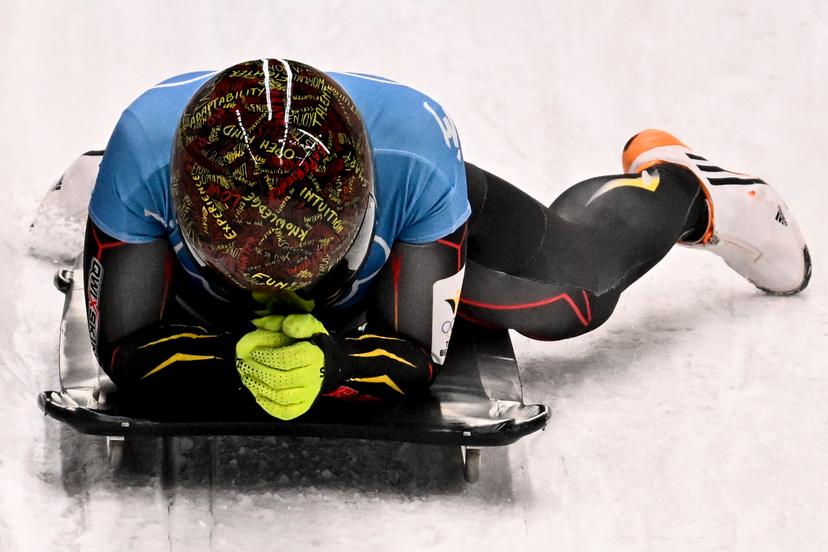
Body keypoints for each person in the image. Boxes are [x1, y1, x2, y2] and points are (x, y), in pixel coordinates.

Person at [81, 58, 811, 421]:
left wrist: (328, 359)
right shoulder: (144, 148)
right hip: (166, 195)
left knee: (569, 301)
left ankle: (682, 185)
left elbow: (408, 360)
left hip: (398, 214)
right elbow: (122, 352)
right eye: (246, 252)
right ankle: (104, 194)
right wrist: (254, 364)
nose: (281, 286)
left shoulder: (413, 162)